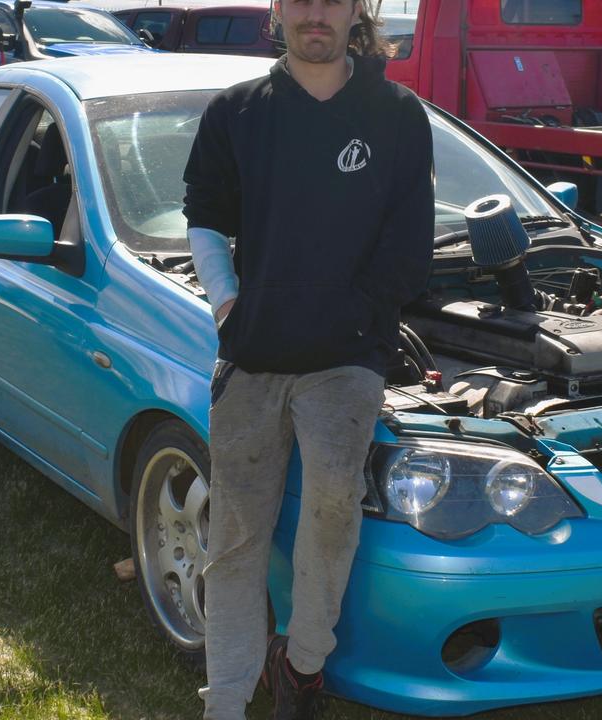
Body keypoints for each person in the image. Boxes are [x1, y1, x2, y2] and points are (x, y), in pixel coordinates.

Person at [181, 0, 434, 716]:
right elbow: (203, 213)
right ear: (277, 10)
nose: (314, 13)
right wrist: (227, 303)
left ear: (356, 9)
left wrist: (358, 317)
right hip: (254, 355)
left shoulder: (396, 115)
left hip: (347, 358)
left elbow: (410, 249)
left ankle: (301, 664)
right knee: (235, 537)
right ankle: (225, 700)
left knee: (331, 502)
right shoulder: (236, 112)